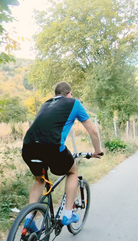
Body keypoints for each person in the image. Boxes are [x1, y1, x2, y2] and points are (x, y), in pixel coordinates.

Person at [22, 81, 103, 226]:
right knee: (72, 171)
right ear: (69, 94)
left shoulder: (45, 104)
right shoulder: (74, 103)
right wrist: (97, 151)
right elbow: (93, 131)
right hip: (52, 148)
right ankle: (67, 214)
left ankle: (29, 219)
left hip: (28, 148)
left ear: (56, 94)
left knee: (39, 179)